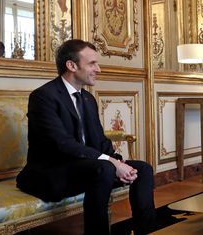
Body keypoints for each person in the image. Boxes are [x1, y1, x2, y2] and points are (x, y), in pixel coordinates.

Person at [16, 39, 156, 235]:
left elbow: (99, 141)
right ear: (71, 65)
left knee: (142, 169)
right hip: (52, 172)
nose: (98, 69)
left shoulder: (88, 98)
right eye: (92, 63)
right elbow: (62, 144)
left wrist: (119, 161)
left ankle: (145, 231)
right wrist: (112, 163)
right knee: (104, 168)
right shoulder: (43, 97)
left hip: (87, 168)